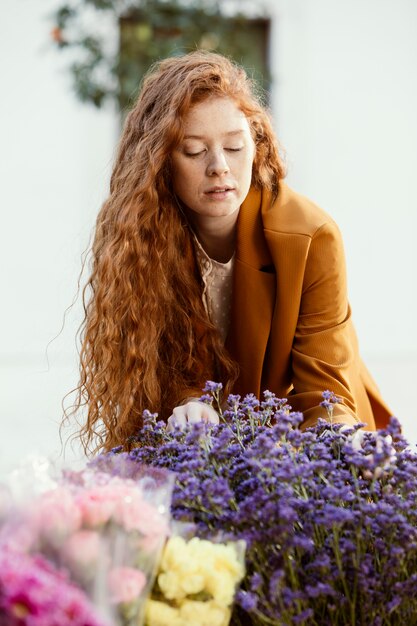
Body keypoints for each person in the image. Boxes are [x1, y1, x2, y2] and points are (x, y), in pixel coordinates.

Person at [72, 50, 391, 453]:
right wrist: (187, 402)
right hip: (200, 453)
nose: (219, 166)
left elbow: (326, 392)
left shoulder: (312, 236)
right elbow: (151, 369)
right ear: (159, 162)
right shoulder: (135, 236)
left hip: (306, 445)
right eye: (193, 150)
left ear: (256, 145)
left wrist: (333, 452)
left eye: (235, 147)